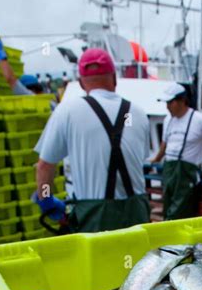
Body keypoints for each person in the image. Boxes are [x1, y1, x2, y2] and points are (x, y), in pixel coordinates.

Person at [34, 48, 151, 233]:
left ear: (81, 83)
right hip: (137, 216)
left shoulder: (67, 111)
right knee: (139, 261)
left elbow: (45, 166)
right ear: (114, 78)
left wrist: (46, 200)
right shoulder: (138, 113)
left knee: (99, 261)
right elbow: (142, 159)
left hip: (94, 218)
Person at [150, 83, 202, 220]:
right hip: (169, 170)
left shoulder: (200, 120)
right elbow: (165, 143)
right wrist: (156, 158)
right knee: (167, 208)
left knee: (178, 214)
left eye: (170, 102)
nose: (167, 106)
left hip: (187, 174)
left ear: (182, 100)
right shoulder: (167, 119)